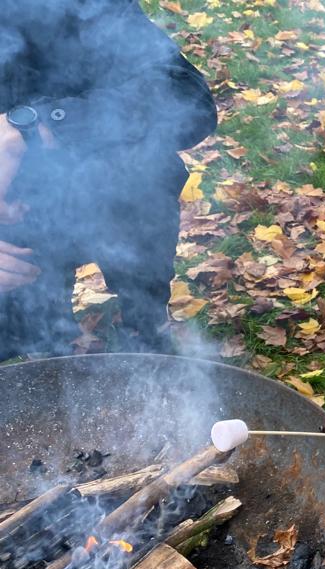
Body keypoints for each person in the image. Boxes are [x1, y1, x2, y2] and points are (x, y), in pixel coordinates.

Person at [0, 0, 217, 359]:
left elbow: (189, 97)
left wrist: (38, 127)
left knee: (144, 165)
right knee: (21, 347)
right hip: (12, 241)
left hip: (88, 199)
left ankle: (145, 322)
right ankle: (42, 324)